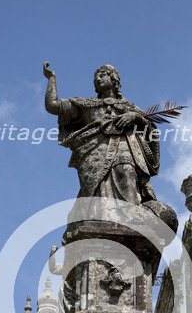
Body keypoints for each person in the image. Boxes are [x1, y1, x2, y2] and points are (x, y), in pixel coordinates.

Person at [43, 62, 160, 207]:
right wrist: (51, 78)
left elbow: (151, 130)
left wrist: (134, 117)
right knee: (91, 186)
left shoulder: (129, 107)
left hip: (124, 147)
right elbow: (52, 105)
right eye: (95, 78)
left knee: (126, 172)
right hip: (92, 152)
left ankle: (130, 218)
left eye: (102, 75)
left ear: (114, 79)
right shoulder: (86, 104)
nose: (98, 79)